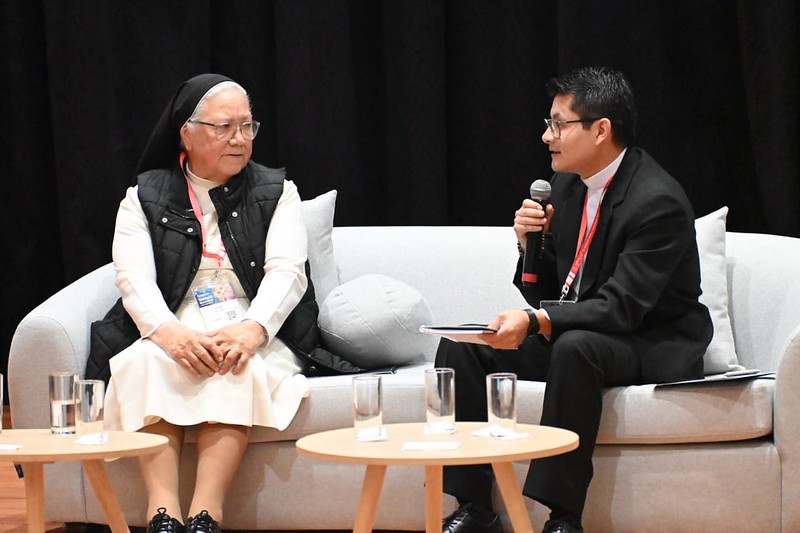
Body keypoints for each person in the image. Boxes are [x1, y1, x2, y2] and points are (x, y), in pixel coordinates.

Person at [437, 66, 713, 533]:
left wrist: (536, 321)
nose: (547, 136)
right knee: (463, 345)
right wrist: (530, 246)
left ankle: (564, 518)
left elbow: (623, 308)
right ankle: (475, 507)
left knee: (574, 346)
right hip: (586, 330)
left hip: (648, 339)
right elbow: (553, 294)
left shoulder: (656, 200)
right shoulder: (567, 186)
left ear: (600, 129)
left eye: (558, 124)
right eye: (549, 124)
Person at [85, 73, 322, 533]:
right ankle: (162, 515)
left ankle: (206, 516)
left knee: (233, 363)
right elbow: (133, 279)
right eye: (224, 127)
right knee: (146, 363)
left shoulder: (277, 191)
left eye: (247, 126)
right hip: (171, 320)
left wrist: (252, 330)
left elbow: (287, 272)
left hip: (254, 318)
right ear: (187, 134)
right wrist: (169, 335)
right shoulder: (143, 197)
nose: (239, 138)